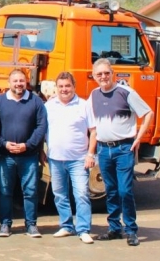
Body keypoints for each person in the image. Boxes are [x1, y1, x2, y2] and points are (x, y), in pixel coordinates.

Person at [88, 58, 154, 247]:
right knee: (111, 191)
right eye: (99, 74)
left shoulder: (126, 93)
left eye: (106, 73)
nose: (103, 77)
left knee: (125, 191)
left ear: (113, 73)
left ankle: (131, 230)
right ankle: (114, 228)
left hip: (124, 148)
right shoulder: (94, 94)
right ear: (94, 76)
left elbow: (148, 113)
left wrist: (139, 138)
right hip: (103, 148)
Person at [43, 72, 97, 244]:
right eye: (61, 86)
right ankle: (66, 226)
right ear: (56, 88)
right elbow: (42, 130)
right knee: (59, 194)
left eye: (67, 86)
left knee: (81, 194)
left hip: (79, 159)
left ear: (74, 87)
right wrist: (41, 151)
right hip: (55, 158)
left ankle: (83, 229)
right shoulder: (49, 105)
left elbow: (94, 131)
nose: (64, 89)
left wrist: (90, 154)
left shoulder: (84, 105)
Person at [0, 69, 47, 238]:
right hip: (5, 155)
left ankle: (31, 225)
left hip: (28, 156)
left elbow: (41, 127)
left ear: (26, 83)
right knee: (4, 191)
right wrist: (3, 143)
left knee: (30, 191)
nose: (18, 84)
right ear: (9, 83)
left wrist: (28, 145)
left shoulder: (36, 102)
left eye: (22, 81)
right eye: (15, 81)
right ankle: (5, 224)